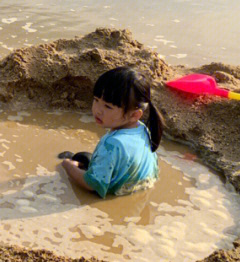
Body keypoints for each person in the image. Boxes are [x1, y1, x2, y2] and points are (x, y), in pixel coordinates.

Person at [58, 66, 162, 197]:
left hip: (118, 194)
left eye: (108, 106)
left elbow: (92, 185)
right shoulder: (142, 129)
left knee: (71, 161)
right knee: (85, 157)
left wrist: (67, 165)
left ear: (135, 114)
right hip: (141, 189)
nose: (98, 110)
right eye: (96, 100)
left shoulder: (112, 143)